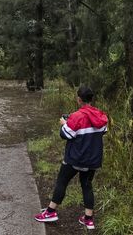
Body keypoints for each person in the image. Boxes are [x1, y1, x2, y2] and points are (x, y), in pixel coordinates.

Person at [34, 86, 108, 230]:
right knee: (87, 185)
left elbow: (65, 135)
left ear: (79, 99)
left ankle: (50, 212)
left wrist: (64, 124)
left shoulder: (76, 116)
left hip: (75, 158)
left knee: (62, 181)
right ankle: (88, 219)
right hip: (92, 159)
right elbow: (102, 131)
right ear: (91, 99)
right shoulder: (100, 115)